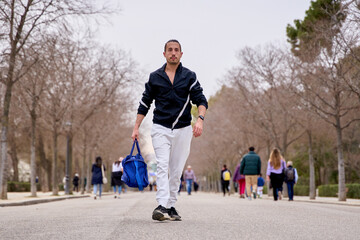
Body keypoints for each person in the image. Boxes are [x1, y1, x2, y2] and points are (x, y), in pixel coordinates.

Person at [131, 39, 208, 221]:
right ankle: (161, 205)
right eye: (169, 50)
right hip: (160, 128)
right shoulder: (155, 77)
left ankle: (171, 205)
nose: (173, 53)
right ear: (164, 54)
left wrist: (200, 121)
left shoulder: (189, 76)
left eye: (176, 50)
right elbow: (145, 103)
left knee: (176, 170)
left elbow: (201, 101)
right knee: (162, 164)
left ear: (181, 54)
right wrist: (136, 127)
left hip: (183, 129)